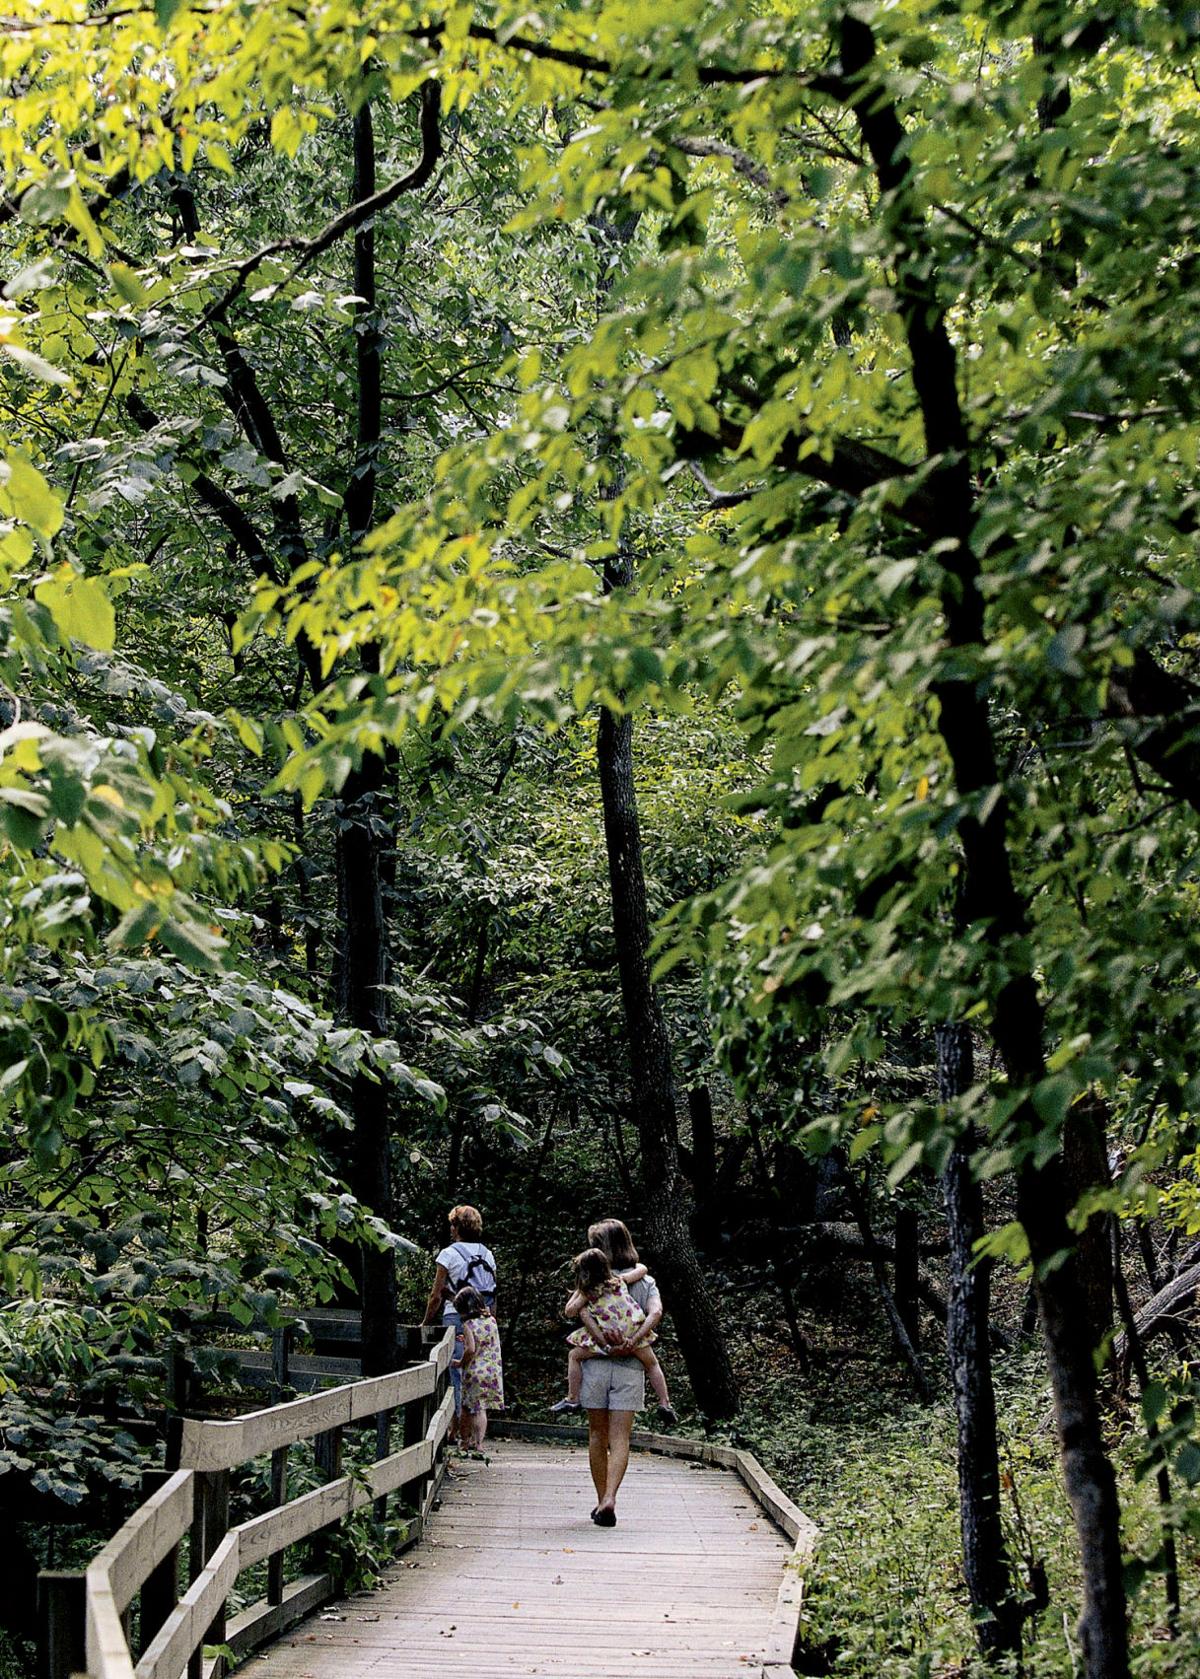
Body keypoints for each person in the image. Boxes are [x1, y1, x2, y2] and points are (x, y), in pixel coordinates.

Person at [558, 1218, 677, 1425]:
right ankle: (665, 1402)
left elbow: (573, 1312)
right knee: (652, 1365)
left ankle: (572, 1398)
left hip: (600, 1355)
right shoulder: (627, 1280)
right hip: (633, 1343)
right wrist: (633, 1340)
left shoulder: (591, 1286)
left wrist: (605, 1343)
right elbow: (655, 1309)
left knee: (597, 1431)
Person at [421, 1205, 497, 1424]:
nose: (450, 1230)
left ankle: (454, 1428)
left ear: (456, 1227)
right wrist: (492, 1318)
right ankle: (475, 1433)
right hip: (483, 1319)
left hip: (456, 1317)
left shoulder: (449, 1254)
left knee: (456, 1372)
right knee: (477, 1373)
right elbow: (493, 1291)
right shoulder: (487, 1254)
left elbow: (436, 1295)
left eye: (452, 1225)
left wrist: (426, 1322)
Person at [455, 1285, 504, 1449]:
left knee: (468, 1408)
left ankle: (465, 1442)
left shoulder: (468, 1324)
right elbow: (486, 1342)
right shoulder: (491, 1321)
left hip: (474, 1371)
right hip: (491, 1371)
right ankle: (480, 1443)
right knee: (481, 1408)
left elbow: (470, 1349)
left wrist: (460, 1362)